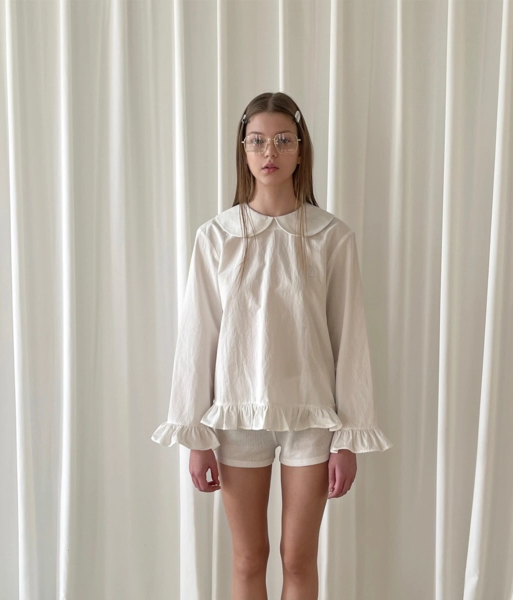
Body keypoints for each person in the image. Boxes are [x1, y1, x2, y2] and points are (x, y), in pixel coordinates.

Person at [151, 91, 393, 600]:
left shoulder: (331, 237)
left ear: (301, 150)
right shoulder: (217, 236)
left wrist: (348, 438)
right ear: (242, 150)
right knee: (248, 559)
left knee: (298, 559)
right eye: (257, 141)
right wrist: (195, 434)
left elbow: (349, 339)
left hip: (311, 417)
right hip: (237, 417)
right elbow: (198, 336)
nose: (270, 152)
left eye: (283, 140)